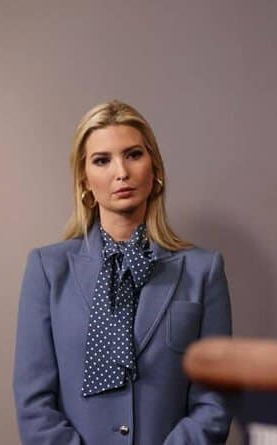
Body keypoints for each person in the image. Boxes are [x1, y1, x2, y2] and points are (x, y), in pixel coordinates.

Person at [13, 100, 233, 444]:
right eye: (102, 160)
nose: (121, 172)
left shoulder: (203, 270)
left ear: (155, 167)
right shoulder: (47, 269)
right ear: (84, 180)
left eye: (133, 155)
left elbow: (215, 400)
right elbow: (34, 401)